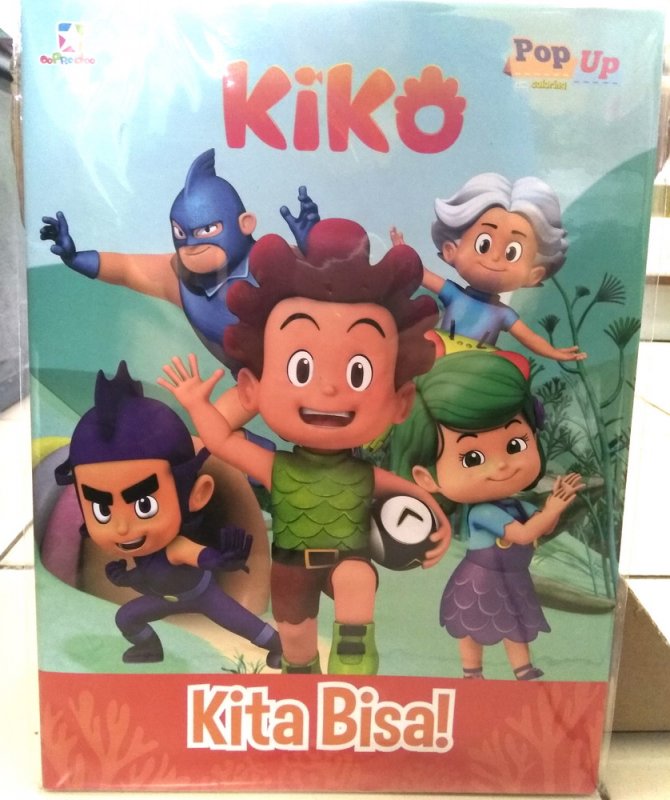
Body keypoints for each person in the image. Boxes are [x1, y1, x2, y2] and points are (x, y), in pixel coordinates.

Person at [159, 218, 452, 675]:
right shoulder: (275, 468)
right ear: (252, 387)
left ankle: (354, 654)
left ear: (399, 402)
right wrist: (198, 405)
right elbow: (221, 440)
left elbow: (409, 494)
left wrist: (440, 525)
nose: (330, 390)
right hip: (290, 566)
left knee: (356, 578)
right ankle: (301, 680)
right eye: (302, 368)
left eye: (358, 373)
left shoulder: (362, 475)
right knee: (295, 641)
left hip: (347, 558)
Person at [54, 361, 282, 667]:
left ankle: (277, 645)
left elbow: (201, 557)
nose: (122, 527)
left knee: (242, 623)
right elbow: (148, 575)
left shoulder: (176, 547)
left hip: (202, 596)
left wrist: (224, 561)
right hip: (162, 599)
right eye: (102, 510)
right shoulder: (138, 548)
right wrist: (124, 578)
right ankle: (149, 648)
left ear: (197, 494)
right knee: (126, 617)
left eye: (144, 505)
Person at [390, 349, 583, 679]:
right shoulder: (483, 512)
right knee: (471, 625)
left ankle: (523, 668)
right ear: (426, 478)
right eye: (472, 458)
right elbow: (523, 534)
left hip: (514, 577)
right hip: (481, 580)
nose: (503, 465)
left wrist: (555, 504)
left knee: (515, 623)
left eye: (515, 445)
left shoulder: (519, 505)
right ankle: (472, 671)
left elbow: (542, 529)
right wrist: (551, 508)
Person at [40, 149, 319, 371]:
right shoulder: (182, 279)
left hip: (312, 371)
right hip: (253, 385)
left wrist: (315, 249)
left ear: (245, 223)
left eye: (207, 230)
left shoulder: (274, 259)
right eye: (181, 234)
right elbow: (126, 269)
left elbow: (329, 289)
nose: (192, 246)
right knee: (213, 422)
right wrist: (74, 258)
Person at [391, 173, 586, 361]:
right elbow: (422, 274)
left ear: (534, 274)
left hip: (478, 368)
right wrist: (402, 251)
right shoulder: (453, 294)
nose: (495, 257)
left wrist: (554, 353)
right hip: (439, 359)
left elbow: (530, 338)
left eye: (512, 252)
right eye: (483, 245)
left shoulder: (503, 314)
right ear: (451, 250)